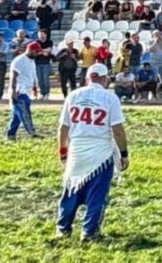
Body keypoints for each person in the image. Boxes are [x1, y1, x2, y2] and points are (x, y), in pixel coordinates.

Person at [56, 63, 129, 241]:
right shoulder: (110, 98)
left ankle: (63, 228)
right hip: (100, 152)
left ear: (88, 78)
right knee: (97, 195)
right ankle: (89, 232)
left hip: (77, 150)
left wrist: (63, 151)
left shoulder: (73, 95)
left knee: (71, 190)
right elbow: (118, 130)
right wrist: (124, 153)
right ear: (105, 79)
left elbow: (63, 127)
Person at [8, 42, 43, 140]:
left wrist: (35, 87)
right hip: (19, 91)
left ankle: (11, 134)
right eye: (36, 52)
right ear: (31, 50)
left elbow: (32, 74)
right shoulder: (19, 61)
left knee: (17, 114)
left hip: (27, 91)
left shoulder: (31, 61)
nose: (37, 54)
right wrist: (13, 91)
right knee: (25, 113)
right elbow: (14, 77)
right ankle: (32, 132)